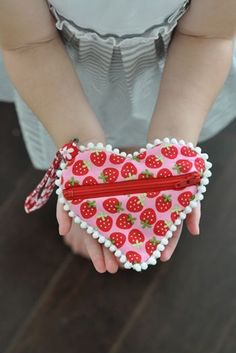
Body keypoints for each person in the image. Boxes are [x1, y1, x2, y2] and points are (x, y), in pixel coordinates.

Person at [0, 0, 235, 274]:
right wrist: (84, 157)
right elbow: (29, 45)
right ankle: (100, 195)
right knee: (94, 137)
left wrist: (170, 151)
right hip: (59, 74)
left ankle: (132, 175)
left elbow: (206, 37)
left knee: (146, 131)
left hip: (178, 70)